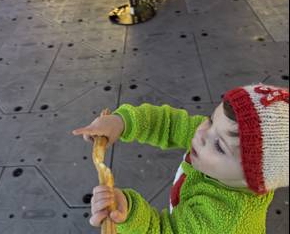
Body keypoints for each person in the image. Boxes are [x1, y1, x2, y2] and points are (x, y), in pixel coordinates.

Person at [72, 83, 289, 233]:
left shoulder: (222, 222)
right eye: (211, 119)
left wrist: (129, 212)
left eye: (219, 146)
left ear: (254, 181)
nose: (202, 133)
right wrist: (123, 122)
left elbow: (167, 230)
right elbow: (170, 123)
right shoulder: (209, 138)